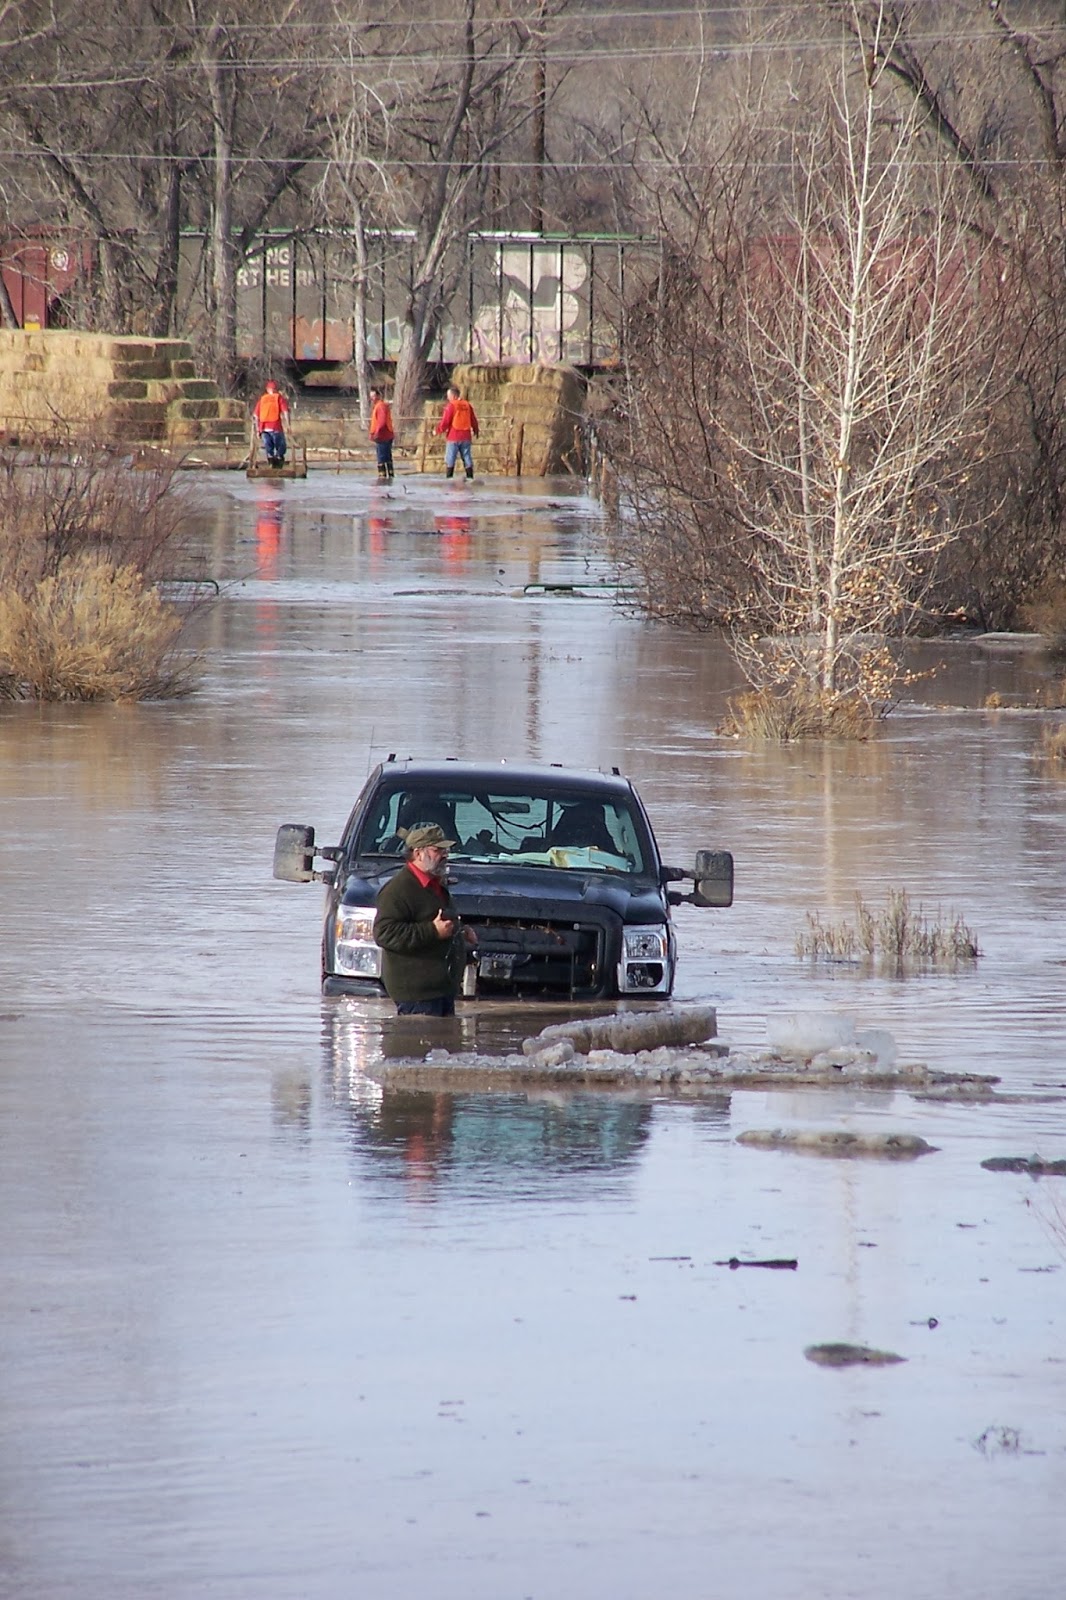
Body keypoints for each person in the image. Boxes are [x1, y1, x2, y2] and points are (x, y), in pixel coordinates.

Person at [373, 823, 476, 1015]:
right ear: (418, 853)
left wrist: (460, 931)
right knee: (417, 1044)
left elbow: (437, 919)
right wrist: (433, 931)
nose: (445, 855)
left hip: (441, 990)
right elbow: (384, 934)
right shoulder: (397, 890)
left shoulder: (435, 883)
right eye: (438, 850)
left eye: (446, 850)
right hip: (417, 995)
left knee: (444, 1043)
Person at [435, 384, 479, 479]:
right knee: (467, 457)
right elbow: (473, 419)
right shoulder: (467, 405)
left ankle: (449, 477)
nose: (448, 398)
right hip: (466, 435)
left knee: (450, 457)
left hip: (454, 436)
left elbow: (446, 421)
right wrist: (476, 429)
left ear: (454, 396)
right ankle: (470, 477)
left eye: (449, 396)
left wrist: (438, 430)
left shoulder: (451, 406)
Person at [253, 379, 290, 466]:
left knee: (268, 447)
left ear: (267, 389)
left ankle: (270, 460)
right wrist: (288, 425)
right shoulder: (278, 398)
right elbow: (285, 412)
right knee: (281, 446)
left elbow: (255, 416)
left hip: (264, 428)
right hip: (275, 426)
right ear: (276, 389)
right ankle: (279, 459)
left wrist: (258, 429)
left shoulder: (262, 399)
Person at [368, 386, 395, 482]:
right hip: (384, 435)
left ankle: (383, 479)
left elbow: (382, 422)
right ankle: (390, 477)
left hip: (383, 436)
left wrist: (376, 433)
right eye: (371, 396)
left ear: (378, 396)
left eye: (373, 396)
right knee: (387, 458)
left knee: (382, 458)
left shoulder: (381, 406)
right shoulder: (380, 406)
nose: (372, 398)